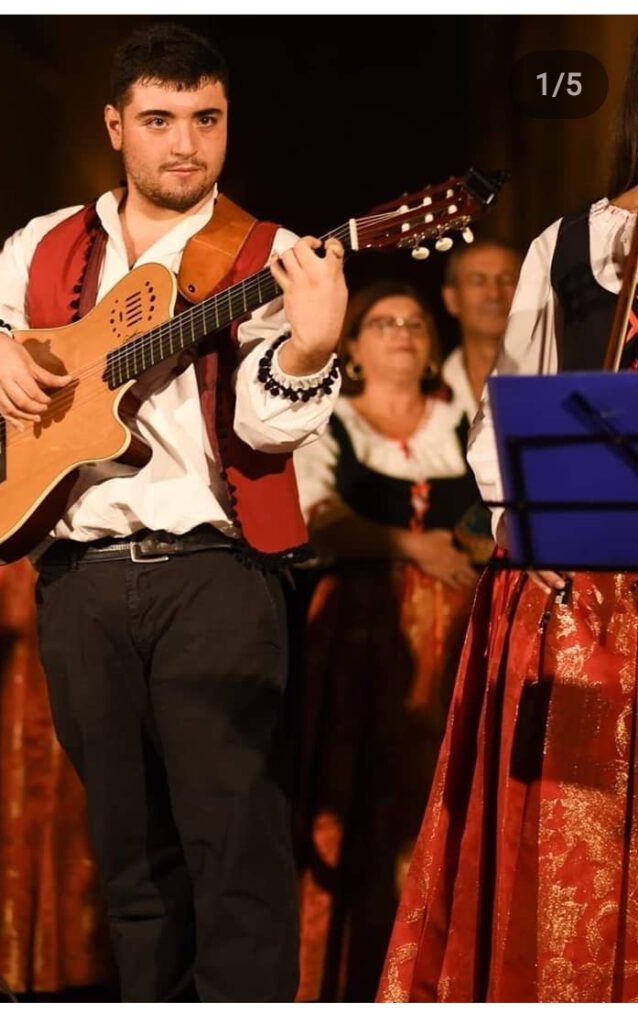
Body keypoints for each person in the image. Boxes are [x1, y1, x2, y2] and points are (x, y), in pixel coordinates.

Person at [0, 23, 348, 1001]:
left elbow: (267, 430)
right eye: (159, 120)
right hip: (80, 582)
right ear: (115, 126)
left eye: (205, 119)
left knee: (234, 849)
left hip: (215, 577)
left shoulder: (268, 254)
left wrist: (310, 350)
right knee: (131, 862)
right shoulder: (48, 242)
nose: (185, 143)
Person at [379, 35, 638, 1004]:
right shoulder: (567, 247)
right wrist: (526, 522)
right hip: (586, 596)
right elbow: (510, 415)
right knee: (570, 864)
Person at [291, 282, 481, 1001]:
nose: (402, 332)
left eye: (415, 322)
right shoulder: (330, 422)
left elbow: (500, 509)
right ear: (351, 349)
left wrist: (469, 545)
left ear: (432, 347)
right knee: (361, 795)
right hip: (363, 640)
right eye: (383, 322)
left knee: (445, 791)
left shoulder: (465, 421)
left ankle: (439, 978)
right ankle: (353, 979)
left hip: (458, 637)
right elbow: (317, 517)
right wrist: (412, 546)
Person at [440, 239, 521, 420]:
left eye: (507, 280)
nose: (494, 294)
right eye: (478, 281)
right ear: (451, 298)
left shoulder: (553, 375)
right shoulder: (431, 392)